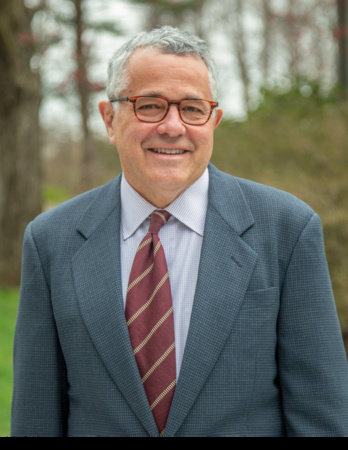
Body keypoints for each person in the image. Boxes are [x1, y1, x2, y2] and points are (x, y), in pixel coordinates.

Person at [11, 26, 348, 437]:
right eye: (150, 106)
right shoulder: (50, 241)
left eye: (192, 108)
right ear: (109, 118)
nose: (173, 127)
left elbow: (321, 417)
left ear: (214, 121)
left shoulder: (288, 230)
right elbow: (36, 417)